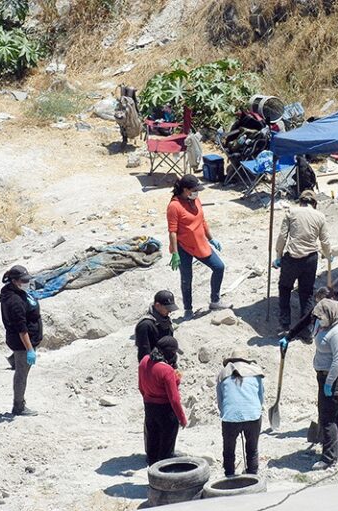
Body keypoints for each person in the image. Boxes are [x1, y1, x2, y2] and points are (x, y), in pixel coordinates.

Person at [167, 174, 231, 320]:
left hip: (199, 243)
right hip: (183, 247)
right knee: (186, 278)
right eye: (194, 190)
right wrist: (175, 252)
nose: (197, 193)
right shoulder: (174, 206)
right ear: (185, 190)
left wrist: (211, 238)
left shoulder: (195, 200)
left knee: (219, 267)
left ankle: (215, 300)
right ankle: (188, 309)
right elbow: (173, 232)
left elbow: (202, 221)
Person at [273, 190, 334, 331]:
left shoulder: (291, 213)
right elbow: (325, 241)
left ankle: (284, 323)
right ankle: (305, 330)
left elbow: (282, 237)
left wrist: (278, 257)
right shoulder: (320, 216)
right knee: (306, 293)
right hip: (310, 259)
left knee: (285, 287)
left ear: (300, 201)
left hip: (292, 258)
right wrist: (328, 255)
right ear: (314, 203)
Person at [311, 299, 338, 470]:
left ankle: (328, 458)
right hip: (328, 376)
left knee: (328, 418)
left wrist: (329, 383)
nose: (319, 320)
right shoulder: (328, 326)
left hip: (334, 378)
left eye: (321, 317)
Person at [0, 265, 42, 416]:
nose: (26, 282)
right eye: (23, 280)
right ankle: (19, 406)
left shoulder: (10, 291)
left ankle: (14, 360)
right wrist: (30, 350)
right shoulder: (14, 302)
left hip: (19, 339)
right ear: (15, 281)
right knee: (21, 374)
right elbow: (21, 330)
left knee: (20, 361)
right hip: (22, 342)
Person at [139, 336, 188, 466]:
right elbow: (174, 398)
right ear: (169, 352)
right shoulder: (167, 370)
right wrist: (182, 418)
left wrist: (149, 398)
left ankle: (152, 476)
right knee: (166, 450)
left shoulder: (144, 361)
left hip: (149, 407)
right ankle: (164, 478)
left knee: (152, 445)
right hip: (166, 411)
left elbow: (141, 387)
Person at [216, 348, 265, 476]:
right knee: (252, 449)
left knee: (229, 450)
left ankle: (229, 475)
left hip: (230, 417)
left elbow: (220, 401)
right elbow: (260, 398)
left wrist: (228, 414)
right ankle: (253, 476)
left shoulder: (223, 374)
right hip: (253, 415)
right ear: (246, 361)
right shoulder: (256, 373)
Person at [135, 290, 178, 362]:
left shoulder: (166, 319)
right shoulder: (145, 325)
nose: (169, 311)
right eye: (167, 308)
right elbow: (144, 356)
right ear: (157, 305)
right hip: (153, 367)